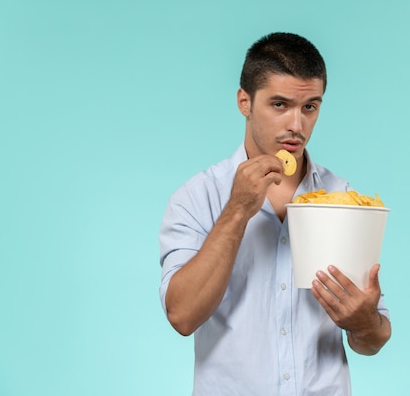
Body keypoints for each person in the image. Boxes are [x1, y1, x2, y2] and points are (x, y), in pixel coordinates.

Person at [159, 32, 391, 396]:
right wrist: (237, 210)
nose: (297, 126)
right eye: (280, 105)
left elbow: (373, 339)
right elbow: (182, 316)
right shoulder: (198, 196)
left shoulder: (342, 197)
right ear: (244, 102)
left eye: (310, 107)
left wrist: (363, 323)